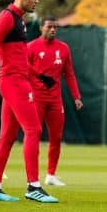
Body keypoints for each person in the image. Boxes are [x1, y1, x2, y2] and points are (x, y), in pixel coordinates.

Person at [0, 0, 58, 203]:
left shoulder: (19, 20)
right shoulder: (6, 18)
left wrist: (38, 75)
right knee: (34, 129)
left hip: (18, 80)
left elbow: (19, 57)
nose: (37, 1)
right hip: (13, 83)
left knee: (7, 135)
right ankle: (33, 186)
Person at [27, 16, 83, 186]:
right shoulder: (31, 47)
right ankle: (32, 177)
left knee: (56, 137)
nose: (53, 30)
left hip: (55, 100)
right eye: (49, 26)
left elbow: (69, 74)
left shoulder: (63, 48)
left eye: (55, 27)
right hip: (36, 98)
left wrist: (76, 97)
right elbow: (23, 71)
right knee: (34, 136)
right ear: (40, 28)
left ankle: (51, 175)